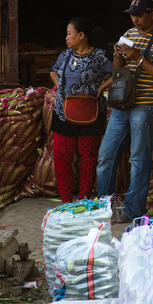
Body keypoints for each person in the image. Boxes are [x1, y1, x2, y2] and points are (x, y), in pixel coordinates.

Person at [96, 0, 153, 221]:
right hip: (123, 104)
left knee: (138, 159)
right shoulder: (128, 35)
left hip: (147, 106)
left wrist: (139, 59)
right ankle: (104, 208)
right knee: (105, 155)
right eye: (132, 15)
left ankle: (132, 212)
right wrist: (118, 56)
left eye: (139, 15)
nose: (135, 19)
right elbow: (117, 69)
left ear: (152, 15)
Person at [49, 18, 113, 204]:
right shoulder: (66, 55)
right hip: (63, 114)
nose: (67, 37)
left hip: (90, 115)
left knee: (88, 159)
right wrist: (59, 86)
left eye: (70, 34)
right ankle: (66, 202)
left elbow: (119, 72)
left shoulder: (100, 56)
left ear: (81, 35)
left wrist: (102, 88)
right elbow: (53, 70)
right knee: (61, 158)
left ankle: (84, 201)